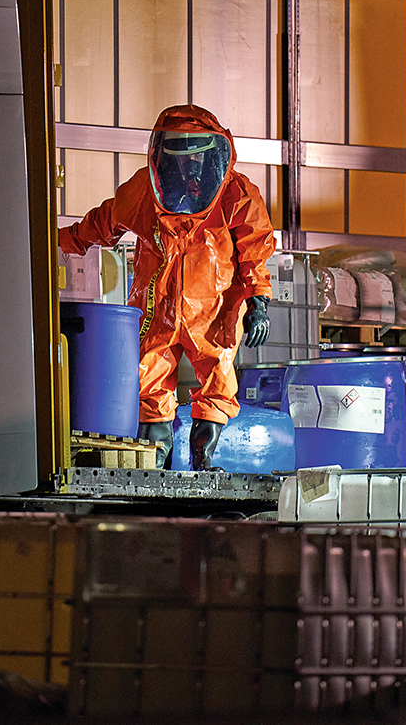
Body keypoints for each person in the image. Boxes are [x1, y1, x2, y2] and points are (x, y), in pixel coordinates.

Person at [59, 104, 276, 470]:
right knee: (147, 378)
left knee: (218, 378)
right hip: (155, 307)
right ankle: (154, 465)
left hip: (214, 309)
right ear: (164, 155)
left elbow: (256, 249)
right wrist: (58, 241)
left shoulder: (237, 194)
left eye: (196, 157)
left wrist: (259, 301)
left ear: (214, 154)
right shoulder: (146, 189)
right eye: (179, 157)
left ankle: (202, 462)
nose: (188, 167)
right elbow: (103, 222)